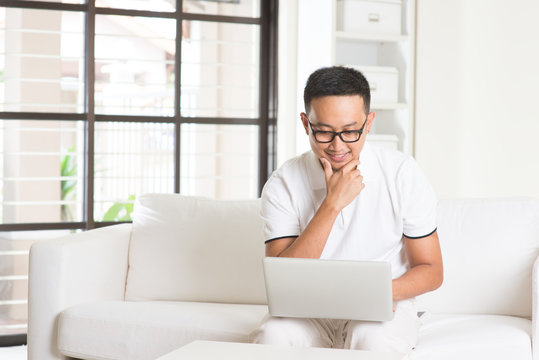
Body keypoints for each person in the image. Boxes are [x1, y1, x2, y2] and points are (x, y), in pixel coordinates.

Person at [249, 66, 443, 353]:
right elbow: (282, 278)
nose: (338, 146)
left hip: (380, 308)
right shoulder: (284, 183)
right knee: (272, 334)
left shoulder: (401, 173)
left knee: (372, 338)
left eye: (351, 131)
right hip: (308, 312)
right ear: (306, 124)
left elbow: (432, 270)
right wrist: (332, 204)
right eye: (324, 132)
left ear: (368, 123)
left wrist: (379, 293)